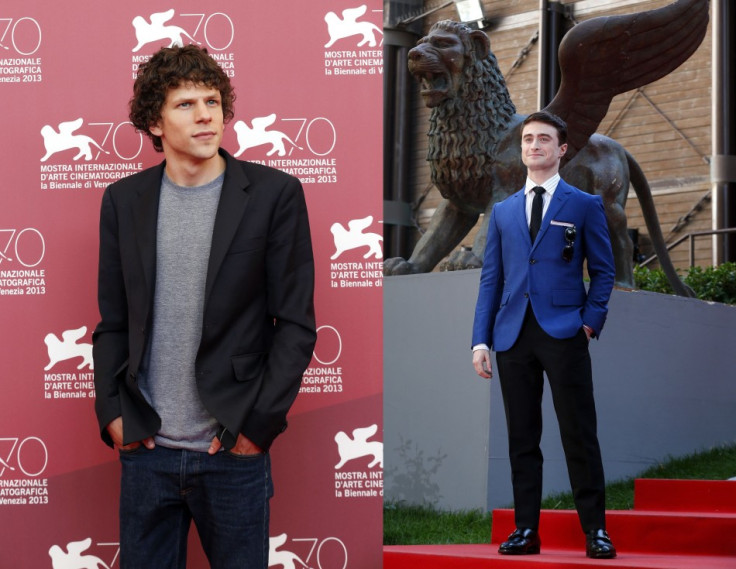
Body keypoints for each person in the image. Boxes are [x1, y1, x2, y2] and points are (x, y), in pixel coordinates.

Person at [92, 45, 316, 569]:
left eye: (212, 101)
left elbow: (297, 326)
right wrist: (112, 414)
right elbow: (113, 323)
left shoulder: (273, 195)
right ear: (154, 120)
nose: (205, 115)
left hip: (233, 448)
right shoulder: (124, 201)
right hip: (147, 449)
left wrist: (257, 429)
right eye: (186, 104)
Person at [471, 111, 617, 559]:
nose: (534, 145)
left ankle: (595, 531)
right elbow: (490, 280)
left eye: (544, 139)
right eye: (528, 139)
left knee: (579, 433)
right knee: (522, 438)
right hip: (512, 336)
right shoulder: (503, 212)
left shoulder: (583, 204)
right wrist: (480, 340)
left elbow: (605, 271)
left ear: (561, 149)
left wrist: (589, 321)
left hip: (563, 332)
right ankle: (525, 530)